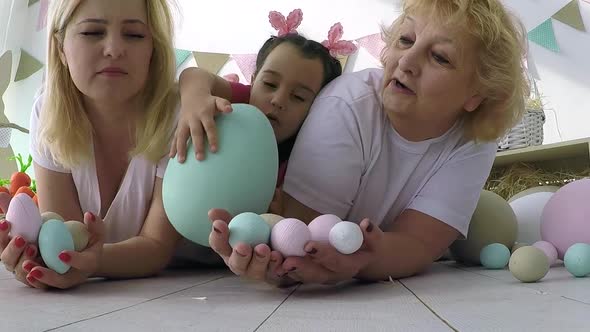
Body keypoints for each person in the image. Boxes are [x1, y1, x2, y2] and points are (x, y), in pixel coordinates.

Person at [207, 0, 530, 285]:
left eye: (440, 58)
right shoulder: (346, 105)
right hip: (364, 223)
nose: (406, 62)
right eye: (405, 40)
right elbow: (300, 235)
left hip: (386, 231)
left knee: (490, 224)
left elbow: (418, 243)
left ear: (476, 95)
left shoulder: (474, 139)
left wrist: (361, 262)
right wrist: (290, 263)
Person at [0, 0, 185, 289]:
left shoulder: (178, 116)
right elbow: (66, 236)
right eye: (92, 33)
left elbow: (156, 246)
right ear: (60, 48)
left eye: (135, 35)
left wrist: (83, 262)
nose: (113, 49)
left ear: (153, 50)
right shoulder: (48, 112)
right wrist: (43, 258)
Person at [170, 10, 347, 189]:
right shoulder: (242, 100)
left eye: (298, 97)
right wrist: (195, 99)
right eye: (270, 84)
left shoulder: (305, 157)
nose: (278, 100)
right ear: (254, 81)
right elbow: (194, 75)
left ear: (317, 109)